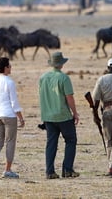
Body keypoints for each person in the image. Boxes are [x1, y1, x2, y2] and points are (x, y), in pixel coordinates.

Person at [39, 51, 80, 179]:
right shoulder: (64, 78)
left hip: (48, 116)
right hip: (63, 116)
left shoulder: (43, 78)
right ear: (61, 64)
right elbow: (69, 98)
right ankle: (67, 170)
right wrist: (75, 113)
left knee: (51, 143)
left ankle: (50, 171)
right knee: (71, 140)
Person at [0, 57, 25, 179]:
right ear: (5, 68)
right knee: (10, 142)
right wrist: (21, 118)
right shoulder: (9, 82)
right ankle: (7, 170)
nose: (11, 67)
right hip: (9, 115)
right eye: (9, 66)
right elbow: (14, 103)